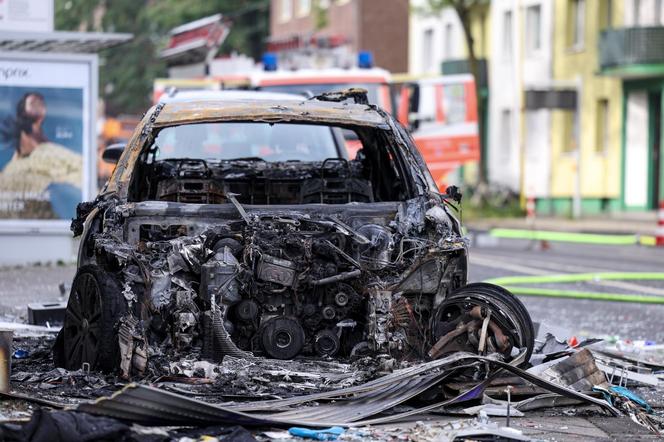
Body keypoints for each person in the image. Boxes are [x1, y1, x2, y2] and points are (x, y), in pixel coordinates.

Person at [0, 92, 82, 218]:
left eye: (41, 103)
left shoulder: (47, 143)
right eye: (33, 103)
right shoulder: (22, 134)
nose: (38, 105)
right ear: (22, 112)